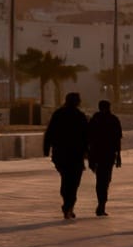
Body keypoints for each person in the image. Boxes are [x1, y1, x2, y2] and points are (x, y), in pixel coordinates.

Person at [43, 92, 90, 220]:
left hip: (60, 154)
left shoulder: (58, 114)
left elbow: (49, 132)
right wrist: (88, 152)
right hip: (75, 155)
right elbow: (86, 136)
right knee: (74, 182)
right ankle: (69, 206)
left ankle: (68, 205)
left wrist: (46, 149)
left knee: (66, 179)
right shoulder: (80, 116)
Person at [85, 99, 122, 217]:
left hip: (97, 154)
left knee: (101, 180)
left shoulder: (95, 120)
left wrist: (88, 154)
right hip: (108, 154)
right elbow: (117, 140)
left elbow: (88, 138)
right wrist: (119, 155)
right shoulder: (113, 120)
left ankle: (101, 202)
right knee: (105, 180)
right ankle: (102, 203)